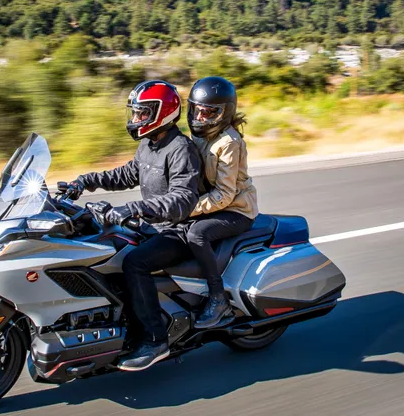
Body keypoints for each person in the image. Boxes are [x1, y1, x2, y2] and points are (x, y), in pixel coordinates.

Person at [62, 80, 202, 372]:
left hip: (176, 230)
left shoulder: (180, 149)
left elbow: (182, 199)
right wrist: (84, 182)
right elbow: (125, 175)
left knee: (135, 263)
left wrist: (133, 208)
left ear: (161, 113)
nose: (136, 119)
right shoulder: (150, 145)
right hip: (151, 225)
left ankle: (155, 339)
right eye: (135, 113)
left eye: (142, 113)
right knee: (103, 249)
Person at [185, 76, 258, 328]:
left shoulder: (229, 143)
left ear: (224, 113)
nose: (200, 117)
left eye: (208, 113)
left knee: (197, 234)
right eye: (197, 110)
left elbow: (224, 195)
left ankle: (218, 299)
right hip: (214, 203)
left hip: (237, 209)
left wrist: (187, 210)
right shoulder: (201, 136)